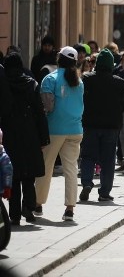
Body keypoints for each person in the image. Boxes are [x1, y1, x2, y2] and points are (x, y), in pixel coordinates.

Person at [35, 46, 84, 222]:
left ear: (58, 59)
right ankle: (70, 208)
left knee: (46, 166)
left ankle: (38, 204)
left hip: (54, 129)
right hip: (75, 129)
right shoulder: (79, 81)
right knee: (71, 168)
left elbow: (47, 106)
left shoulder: (50, 79)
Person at [0, 52, 49, 225]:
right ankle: (28, 208)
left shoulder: (3, 84)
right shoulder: (31, 84)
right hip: (30, 133)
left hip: (9, 133)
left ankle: (14, 215)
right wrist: (44, 138)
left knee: (14, 173)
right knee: (28, 174)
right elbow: (39, 112)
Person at [79, 49, 124, 202]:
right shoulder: (119, 82)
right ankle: (105, 192)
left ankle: (87, 182)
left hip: (90, 124)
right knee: (108, 159)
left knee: (88, 155)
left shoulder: (86, 79)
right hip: (111, 126)